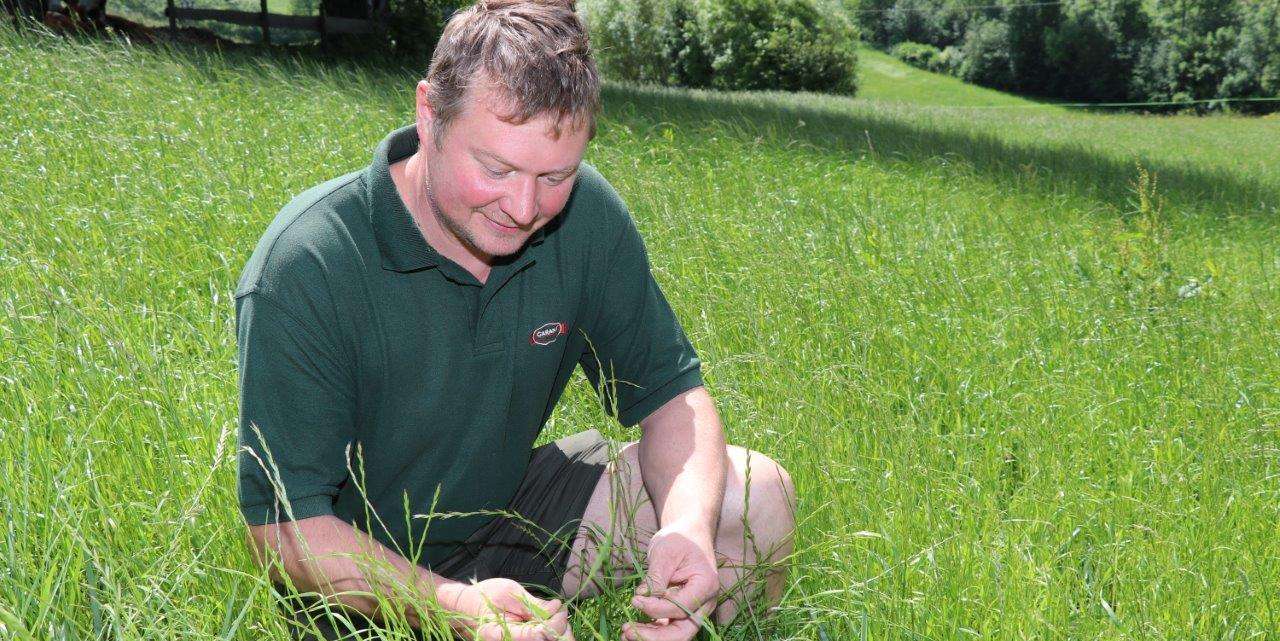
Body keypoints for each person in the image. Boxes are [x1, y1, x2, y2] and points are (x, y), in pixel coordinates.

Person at [233, 1, 796, 640]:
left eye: (555, 175)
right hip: (358, 582)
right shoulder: (309, 263)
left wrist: (686, 533)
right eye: (495, 169)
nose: (525, 207)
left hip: (504, 513)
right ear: (428, 114)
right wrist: (448, 605)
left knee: (758, 501)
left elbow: (672, 397)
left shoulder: (585, 218)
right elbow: (280, 529)